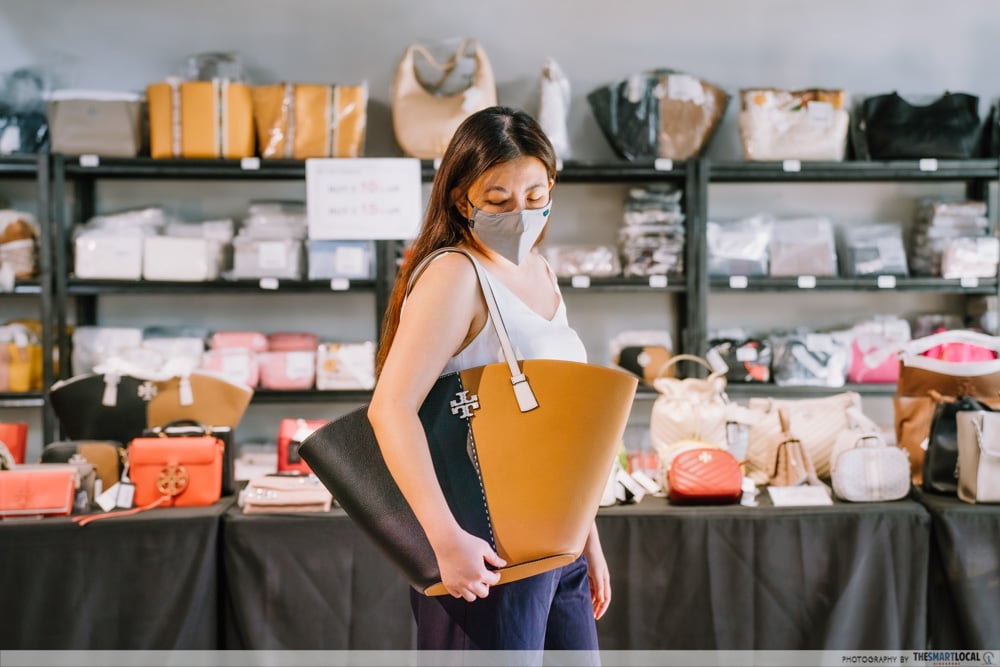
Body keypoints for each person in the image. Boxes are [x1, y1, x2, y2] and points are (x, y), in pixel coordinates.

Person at [367, 105, 610, 651]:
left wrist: (588, 536)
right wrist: (446, 541)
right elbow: (391, 409)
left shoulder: (540, 271)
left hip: (558, 540)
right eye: (498, 201)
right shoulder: (455, 274)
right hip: (483, 546)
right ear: (463, 200)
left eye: (535, 196)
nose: (520, 215)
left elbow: (556, 422)